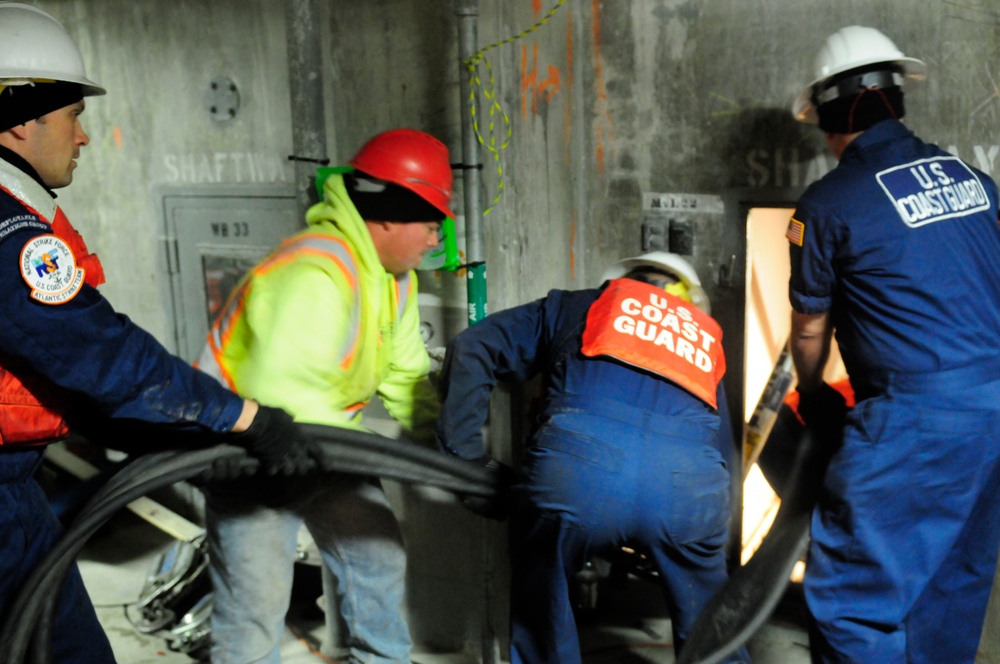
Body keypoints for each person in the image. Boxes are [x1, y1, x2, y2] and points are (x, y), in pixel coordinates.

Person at [0, 4, 314, 663]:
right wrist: (243, 417)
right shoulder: (11, 237)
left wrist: (174, 434)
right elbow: (98, 354)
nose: (82, 137)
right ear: (22, 121)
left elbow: (46, 364)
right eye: (72, 116)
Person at [196, 128, 450, 664]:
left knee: (377, 557)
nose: (435, 240)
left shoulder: (392, 279)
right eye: (430, 225)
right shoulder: (314, 270)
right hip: (251, 453)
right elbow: (284, 394)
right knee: (254, 613)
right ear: (387, 217)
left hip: (326, 447)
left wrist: (446, 451)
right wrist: (362, 454)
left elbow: (406, 377)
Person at [787, 25, 1000, 663]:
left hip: (917, 421)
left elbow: (808, 328)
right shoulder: (976, 182)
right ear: (895, 100)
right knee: (952, 582)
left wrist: (812, 389)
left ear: (831, 113)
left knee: (852, 598)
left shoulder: (827, 204)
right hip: (993, 415)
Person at [436, 252, 749, 664]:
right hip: (686, 490)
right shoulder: (703, 343)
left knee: (541, 590)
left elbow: (473, 347)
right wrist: (708, 545)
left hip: (579, 473)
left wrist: (466, 464)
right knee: (712, 617)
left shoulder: (580, 304)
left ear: (616, 283)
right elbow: (721, 451)